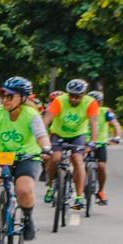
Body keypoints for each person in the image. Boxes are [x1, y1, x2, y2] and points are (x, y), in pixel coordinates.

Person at [0, 76, 52, 243]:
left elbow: (41, 135)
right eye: (4, 95)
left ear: (22, 98)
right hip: (4, 154)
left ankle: (28, 218)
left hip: (27, 155)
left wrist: (46, 148)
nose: (5, 100)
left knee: (23, 189)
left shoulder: (31, 114)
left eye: (10, 96)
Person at [44, 79, 99, 209]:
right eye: (71, 96)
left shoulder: (90, 103)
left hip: (78, 134)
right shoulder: (59, 101)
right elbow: (46, 120)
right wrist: (43, 139)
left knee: (77, 159)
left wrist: (92, 142)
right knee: (55, 157)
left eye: (77, 96)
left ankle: (79, 197)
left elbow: (94, 124)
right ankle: (51, 186)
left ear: (83, 94)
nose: (73, 99)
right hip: (58, 133)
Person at [88, 89, 120, 204]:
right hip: (85, 143)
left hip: (100, 143)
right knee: (77, 165)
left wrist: (117, 137)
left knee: (101, 167)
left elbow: (115, 124)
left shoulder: (106, 112)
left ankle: (101, 191)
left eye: (98, 102)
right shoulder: (83, 111)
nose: (95, 104)